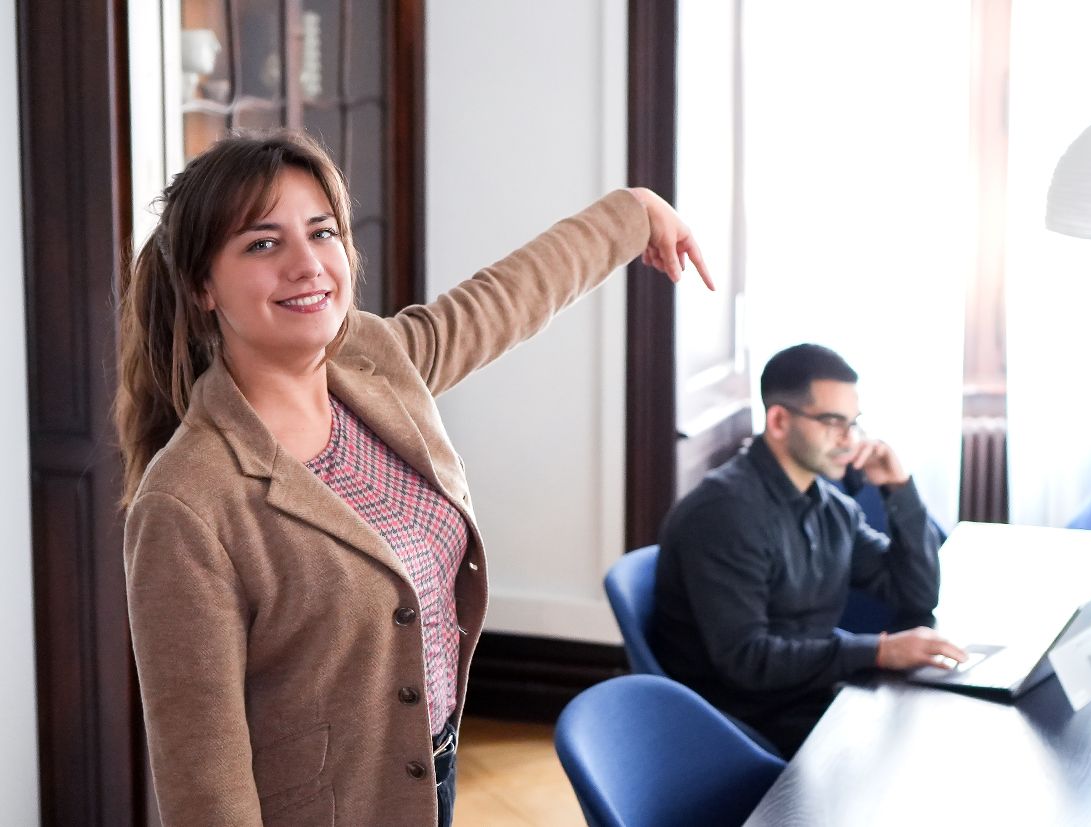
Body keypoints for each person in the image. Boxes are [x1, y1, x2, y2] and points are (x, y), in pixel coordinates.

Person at [116, 130, 712, 827]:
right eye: (262, 243)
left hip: (431, 772)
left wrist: (632, 211)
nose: (308, 265)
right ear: (201, 285)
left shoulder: (374, 362)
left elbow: (502, 300)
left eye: (323, 232)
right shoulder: (187, 500)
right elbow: (203, 777)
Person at [653, 343, 966, 757]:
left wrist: (899, 489)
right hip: (739, 724)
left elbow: (917, 594)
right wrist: (877, 651)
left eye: (853, 424)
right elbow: (747, 660)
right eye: (833, 422)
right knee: (924, 752)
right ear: (779, 421)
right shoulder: (725, 514)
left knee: (945, 730)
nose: (848, 439)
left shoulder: (832, 507)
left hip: (810, 693)